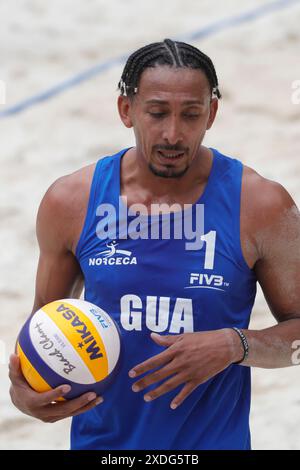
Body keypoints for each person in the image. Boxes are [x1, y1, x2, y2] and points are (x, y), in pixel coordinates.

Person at [9, 39, 300, 450]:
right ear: (126, 110)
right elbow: (42, 330)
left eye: (191, 115)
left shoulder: (260, 205)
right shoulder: (70, 202)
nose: (173, 134)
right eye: (157, 112)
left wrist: (237, 345)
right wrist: (24, 393)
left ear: (212, 114)